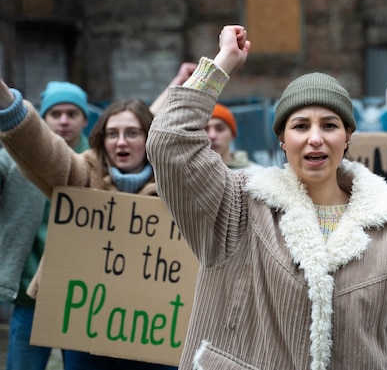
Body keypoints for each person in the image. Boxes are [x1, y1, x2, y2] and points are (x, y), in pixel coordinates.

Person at [146, 25, 387, 370]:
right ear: (282, 139)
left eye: (330, 125)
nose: (316, 138)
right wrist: (223, 63)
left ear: (348, 136)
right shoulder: (238, 205)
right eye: (301, 126)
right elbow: (170, 143)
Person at [0, 77, 182, 370]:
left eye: (132, 133)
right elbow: (43, 152)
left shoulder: (177, 186)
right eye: (112, 134)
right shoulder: (82, 175)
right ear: (102, 139)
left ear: (149, 137)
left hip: (155, 332)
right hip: (88, 334)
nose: (121, 142)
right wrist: (6, 101)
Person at [0, 81, 91, 370]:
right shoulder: (13, 159)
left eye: (72, 113)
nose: (63, 121)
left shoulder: (100, 163)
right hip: (30, 295)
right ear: (42, 119)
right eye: (56, 114)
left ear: (85, 119)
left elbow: (141, 118)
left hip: (83, 300)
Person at [206, 103, 262, 172]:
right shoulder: (190, 176)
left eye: (220, 129)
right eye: (205, 130)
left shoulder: (257, 175)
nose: (212, 136)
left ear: (232, 134)